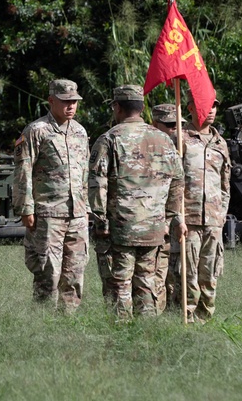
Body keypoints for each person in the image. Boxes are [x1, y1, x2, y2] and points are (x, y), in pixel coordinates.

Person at [89, 85, 185, 319]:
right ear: (142, 108)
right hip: (153, 227)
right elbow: (178, 181)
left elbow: (96, 183)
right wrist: (168, 218)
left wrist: (100, 220)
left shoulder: (110, 139)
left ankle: (121, 335)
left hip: (119, 229)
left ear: (117, 107)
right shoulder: (164, 139)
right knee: (146, 283)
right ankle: (146, 332)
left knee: (119, 285)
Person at [13, 79, 90, 312]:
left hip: (77, 214)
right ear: (51, 101)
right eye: (66, 101)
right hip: (48, 213)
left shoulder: (79, 131)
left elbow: (85, 172)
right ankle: (44, 321)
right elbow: (23, 171)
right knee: (48, 272)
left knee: (75, 271)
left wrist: (86, 207)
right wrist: (26, 208)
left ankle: (69, 319)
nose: (71, 106)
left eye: (74, 102)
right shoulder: (36, 131)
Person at [171, 96, 231, 321]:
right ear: (189, 108)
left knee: (210, 276)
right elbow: (173, 182)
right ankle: (185, 321)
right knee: (187, 276)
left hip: (213, 221)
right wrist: (177, 217)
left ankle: (205, 322)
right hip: (189, 220)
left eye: (215, 105)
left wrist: (221, 215)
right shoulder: (180, 139)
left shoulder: (220, 142)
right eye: (206, 104)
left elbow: (225, 184)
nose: (212, 109)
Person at [150, 103, 180, 313]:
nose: (174, 130)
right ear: (155, 124)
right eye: (169, 125)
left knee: (180, 271)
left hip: (180, 219)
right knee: (157, 272)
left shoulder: (185, 147)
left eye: (177, 124)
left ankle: (178, 311)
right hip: (154, 221)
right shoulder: (147, 149)